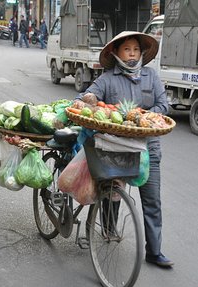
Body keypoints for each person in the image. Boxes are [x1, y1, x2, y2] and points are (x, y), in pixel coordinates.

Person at [76, 31, 174, 268]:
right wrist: (88, 98)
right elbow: (86, 96)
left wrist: (146, 116)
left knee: (152, 201)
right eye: (127, 50)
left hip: (147, 149)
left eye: (136, 50)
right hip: (115, 147)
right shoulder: (108, 78)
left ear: (142, 53)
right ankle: (109, 231)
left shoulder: (151, 76)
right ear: (117, 53)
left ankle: (154, 250)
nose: (132, 54)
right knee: (113, 194)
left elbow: (164, 105)